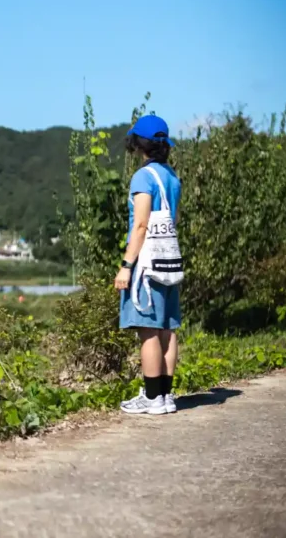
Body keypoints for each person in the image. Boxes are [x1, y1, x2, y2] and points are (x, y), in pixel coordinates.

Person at [115, 114, 182, 416]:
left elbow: (140, 225)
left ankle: (152, 398)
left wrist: (126, 265)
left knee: (148, 330)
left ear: (138, 144)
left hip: (146, 264)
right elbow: (173, 221)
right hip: (169, 260)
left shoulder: (143, 177)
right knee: (167, 327)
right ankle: (165, 396)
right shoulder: (172, 177)